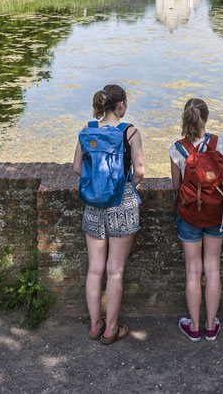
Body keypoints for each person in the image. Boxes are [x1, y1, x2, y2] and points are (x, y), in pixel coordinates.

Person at [72, 84, 144, 344]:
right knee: (115, 271)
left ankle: (94, 326)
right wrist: (128, 185)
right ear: (121, 105)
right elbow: (140, 171)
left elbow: (77, 168)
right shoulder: (130, 132)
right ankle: (112, 329)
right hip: (122, 204)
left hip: (93, 204)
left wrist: (98, 185)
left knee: (94, 270)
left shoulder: (87, 131)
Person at [169, 98, 223, 342]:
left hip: (189, 214)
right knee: (213, 268)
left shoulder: (177, 148)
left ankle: (194, 327)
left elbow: (177, 186)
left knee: (193, 270)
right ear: (206, 118)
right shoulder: (220, 144)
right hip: (217, 214)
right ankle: (211, 326)